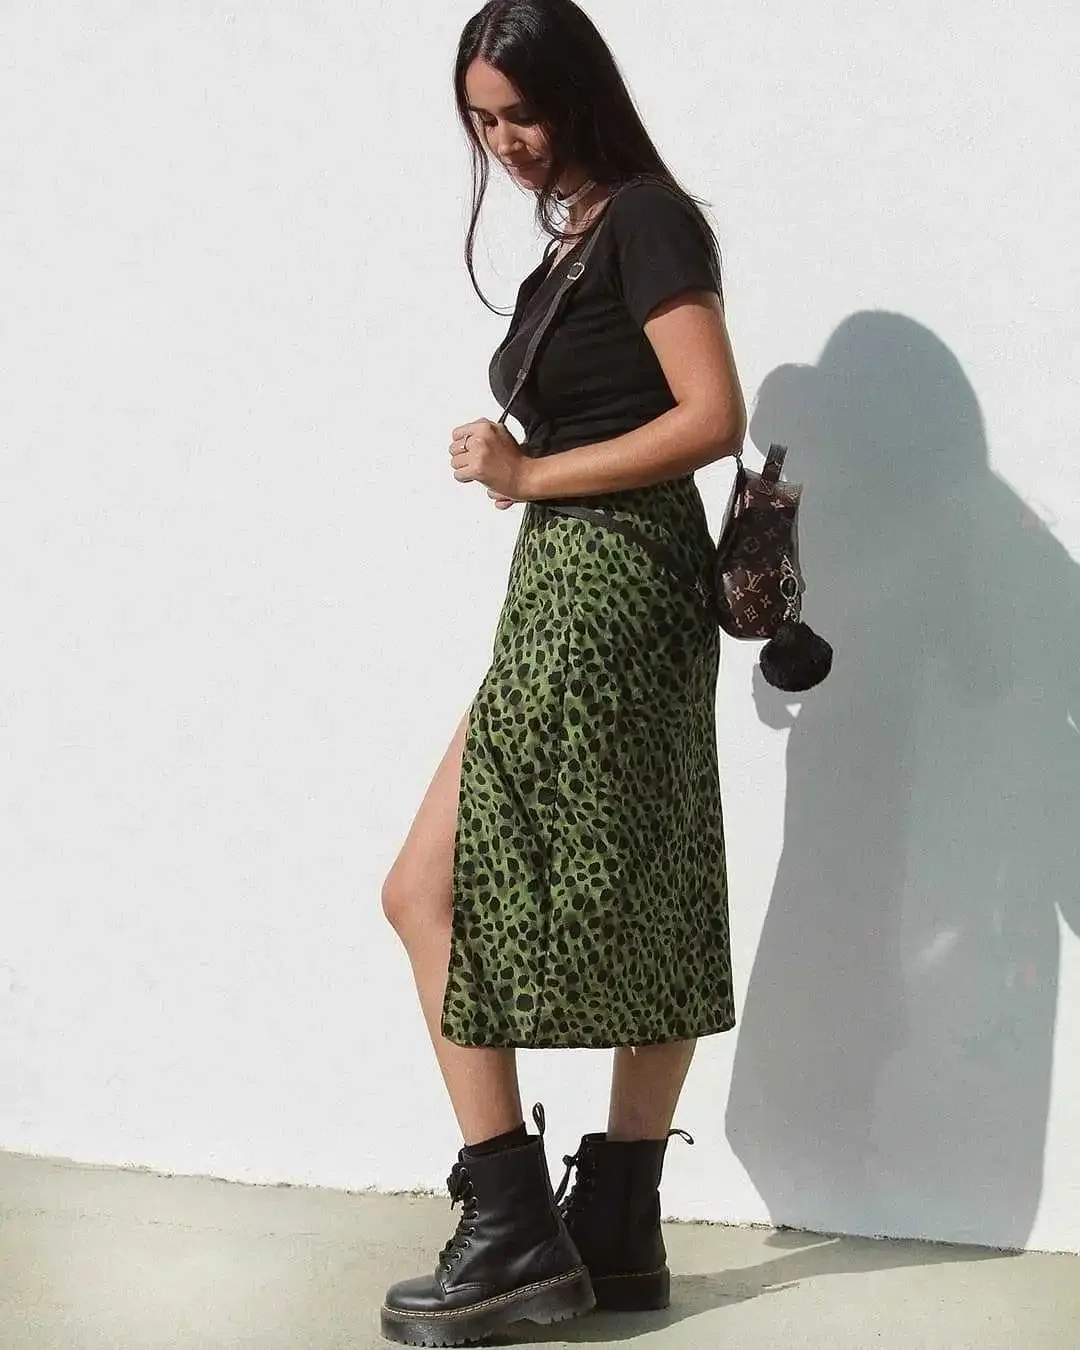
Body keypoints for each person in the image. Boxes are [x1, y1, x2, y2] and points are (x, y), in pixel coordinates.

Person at [379, 1, 745, 1343]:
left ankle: (511, 1230)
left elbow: (714, 414)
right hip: (580, 581)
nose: (505, 142)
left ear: (579, 94)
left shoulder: (647, 221)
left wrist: (531, 472)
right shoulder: (586, 234)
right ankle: (616, 1226)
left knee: (429, 884)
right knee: (650, 875)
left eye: (522, 112)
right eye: (483, 120)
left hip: (608, 584)